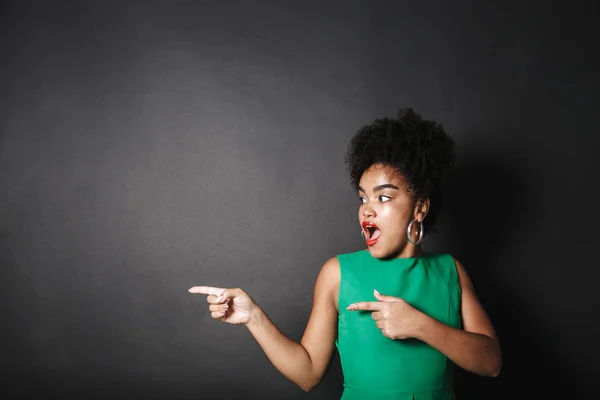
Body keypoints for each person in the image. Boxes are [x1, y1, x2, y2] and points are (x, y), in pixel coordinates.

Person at [189, 108, 502, 399]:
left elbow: (491, 363)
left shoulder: (450, 271)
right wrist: (253, 318)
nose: (367, 209)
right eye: (363, 198)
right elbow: (308, 373)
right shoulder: (337, 274)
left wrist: (419, 325)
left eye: (384, 198)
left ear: (420, 207)